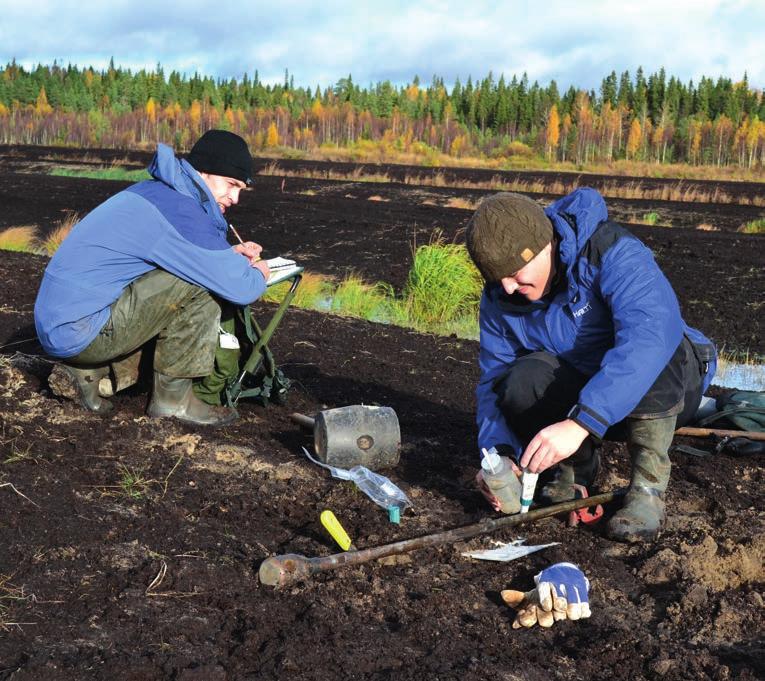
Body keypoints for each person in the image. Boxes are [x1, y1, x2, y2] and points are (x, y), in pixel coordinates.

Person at [466, 189, 717, 542]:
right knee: (521, 378)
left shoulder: (609, 250)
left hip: (673, 389)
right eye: (497, 278)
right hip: (590, 401)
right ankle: (572, 475)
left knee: (653, 346)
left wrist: (580, 422)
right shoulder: (500, 296)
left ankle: (647, 488)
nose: (508, 286)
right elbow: (494, 378)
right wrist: (499, 455)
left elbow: (652, 334)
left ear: (544, 244)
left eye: (516, 271)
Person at [34, 130, 270, 427]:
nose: (235, 198)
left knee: (194, 274)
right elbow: (241, 288)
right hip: (82, 332)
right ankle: (175, 403)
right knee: (201, 285)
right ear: (204, 172)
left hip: (64, 324)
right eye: (231, 184)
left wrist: (227, 254)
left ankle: (92, 375)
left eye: (240, 190)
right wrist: (260, 272)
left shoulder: (159, 194)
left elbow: (166, 255)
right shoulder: (182, 212)